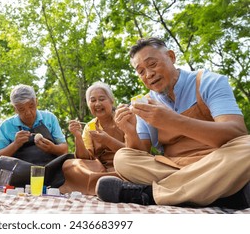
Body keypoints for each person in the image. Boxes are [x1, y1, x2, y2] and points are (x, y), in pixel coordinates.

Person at [96, 37, 250, 209]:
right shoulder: (145, 102)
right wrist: (129, 131)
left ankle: (149, 195)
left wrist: (173, 121)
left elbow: (237, 132)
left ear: (171, 56)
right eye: (140, 71)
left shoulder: (209, 81)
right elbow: (140, 152)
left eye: (152, 64)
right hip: (175, 167)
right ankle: (226, 194)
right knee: (123, 158)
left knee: (248, 146)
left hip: (219, 159)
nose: (149, 74)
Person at [0, 84, 73, 188]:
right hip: (22, 171)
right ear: (15, 109)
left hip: (51, 167)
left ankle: (42, 180)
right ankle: (46, 182)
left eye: (31, 106)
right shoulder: (6, 126)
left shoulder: (50, 118)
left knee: (72, 160)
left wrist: (52, 148)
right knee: (0, 163)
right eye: (21, 109)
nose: (28, 113)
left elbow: (64, 149)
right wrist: (15, 144)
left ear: (36, 102)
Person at [59, 82, 125, 195]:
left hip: (125, 165)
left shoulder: (123, 118)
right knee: (70, 164)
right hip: (100, 169)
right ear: (89, 105)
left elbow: (133, 150)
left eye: (102, 99)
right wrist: (78, 137)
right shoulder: (90, 126)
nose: (97, 104)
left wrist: (107, 140)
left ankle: (101, 185)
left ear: (111, 100)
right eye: (93, 100)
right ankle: (107, 183)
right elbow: (84, 158)